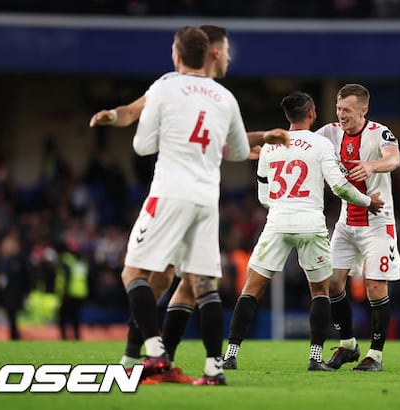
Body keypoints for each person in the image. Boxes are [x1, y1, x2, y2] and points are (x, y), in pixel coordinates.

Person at [89, 25, 289, 377]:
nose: (229, 57)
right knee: (199, 283)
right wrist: (260, 136)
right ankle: (212, 369)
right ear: (211, 53)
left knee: (134, 271)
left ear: (177, 54)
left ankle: (154, 352)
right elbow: (236, 150)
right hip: (206, 198)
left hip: (169, 192)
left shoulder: (166, 87)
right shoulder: (224, 97)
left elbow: (142, 146)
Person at [222, 91, 384, 371]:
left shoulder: (270, 146)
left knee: (251, 289)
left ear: (287, 116)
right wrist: (368, 202)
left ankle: (231, 355)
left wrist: (283, 205)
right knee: (320, 292)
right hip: (310, 224)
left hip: (277, 223)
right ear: (311, 113)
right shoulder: (321, 144)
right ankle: (314, 358)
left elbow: (263, 196)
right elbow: (340, 187)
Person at [312, 84, 400, 371]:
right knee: (332, 283)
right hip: (346, 222)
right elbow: (303, 144)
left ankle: (375, 355)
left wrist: (372, 166)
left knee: (375, 287)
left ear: (364, 110)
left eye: (347, 110)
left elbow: (394, 159)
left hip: (377, 223)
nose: (341, 115)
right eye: (339, 109)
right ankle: (348, 345)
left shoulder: (379, 132)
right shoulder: (329, 132)